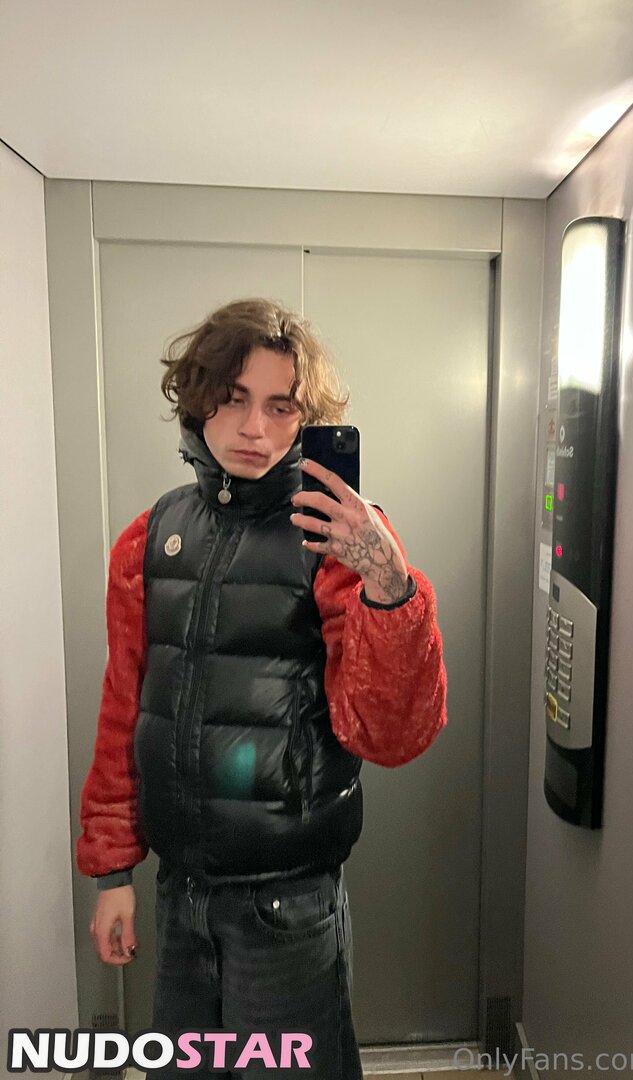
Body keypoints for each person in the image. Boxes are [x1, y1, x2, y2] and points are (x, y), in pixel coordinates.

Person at [76, 297, 448, 1079]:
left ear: (306, 421)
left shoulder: (337, 540)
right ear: (199, 397)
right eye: (235, 398)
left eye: (281, 407)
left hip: (288, 906)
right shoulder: (149, 537)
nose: (255, 429)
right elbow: (124, 710)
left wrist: (388, 582)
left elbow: (390, 736)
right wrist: (112, 873)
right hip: (181, 896)